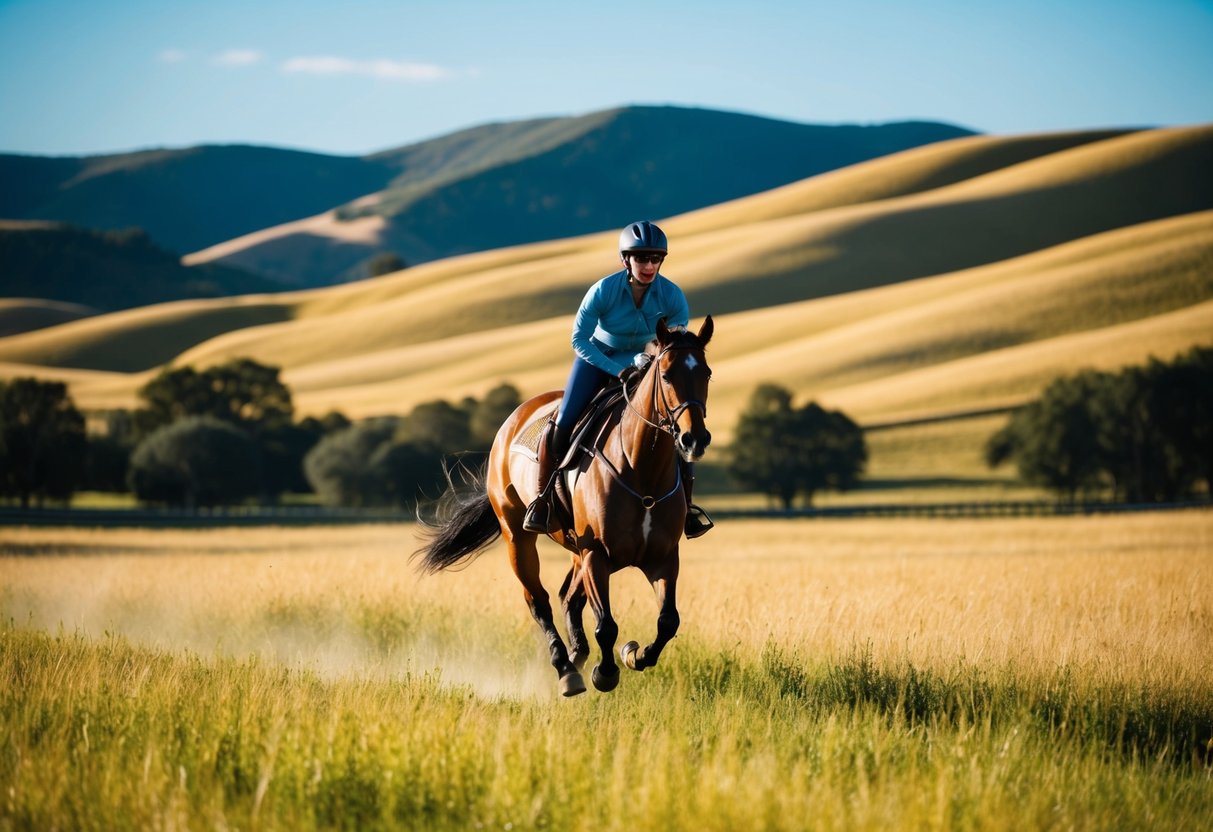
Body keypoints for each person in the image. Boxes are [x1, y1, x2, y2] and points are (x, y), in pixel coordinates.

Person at [523, 220, 713, 538]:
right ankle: (542, 501)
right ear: (626, 260)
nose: (649, 265)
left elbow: (674, 345)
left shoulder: (672, 295)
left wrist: (645, 359)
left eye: (655, 259)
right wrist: (617, 368)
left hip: (646, 364)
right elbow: (579, 340)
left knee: (679, 429)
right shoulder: (603, 290)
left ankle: (687, 507)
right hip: (597, 359)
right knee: (563, 423)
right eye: (641, 258)